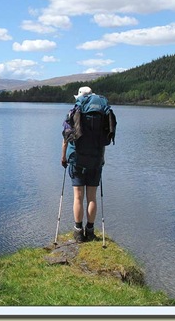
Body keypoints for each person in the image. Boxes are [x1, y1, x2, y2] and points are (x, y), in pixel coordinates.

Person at [61, 86, 108, 243]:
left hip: (77, 160)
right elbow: (104, 140)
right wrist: (101, 159)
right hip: (96, 160)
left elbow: (66, 138)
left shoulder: (74, 111)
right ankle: (90, 230)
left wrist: (63, 158)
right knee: (92, 197)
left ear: (79, 97)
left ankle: (78, 231)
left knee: (78, 197)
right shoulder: (101, 112)